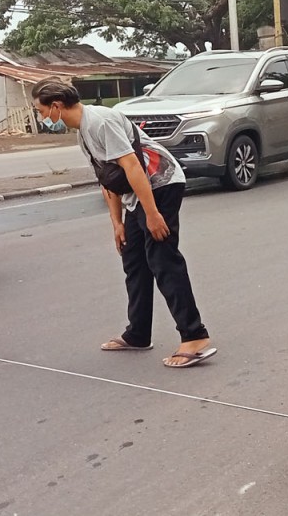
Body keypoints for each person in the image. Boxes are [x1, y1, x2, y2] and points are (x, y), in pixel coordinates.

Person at [30, 78, 216, 368]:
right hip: (138, 194)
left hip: (161, 185)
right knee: (133, 259)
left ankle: (195, 336)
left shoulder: (100, 122)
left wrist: (153, 213)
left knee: (162, 258)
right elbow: (109, 179)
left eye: (41, 111)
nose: (42, 118)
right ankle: (138, 333)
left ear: (56, 106)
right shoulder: (83, 133)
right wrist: (117, 223)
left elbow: (132, 165)